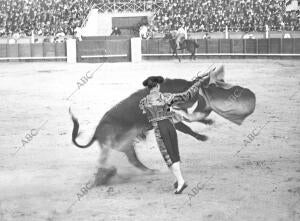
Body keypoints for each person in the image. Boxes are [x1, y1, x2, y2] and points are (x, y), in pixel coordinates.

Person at [139, 76, 203, 194]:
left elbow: (146, 114)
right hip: (170, 126)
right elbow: (186, 95)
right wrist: (197, 84)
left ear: (149, 88)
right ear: (158, 86)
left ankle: (181, 181)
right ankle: (177, 179)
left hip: (159, 129)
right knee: (174, 153)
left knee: (168, 156)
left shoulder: (143, 102)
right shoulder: (167, 97)